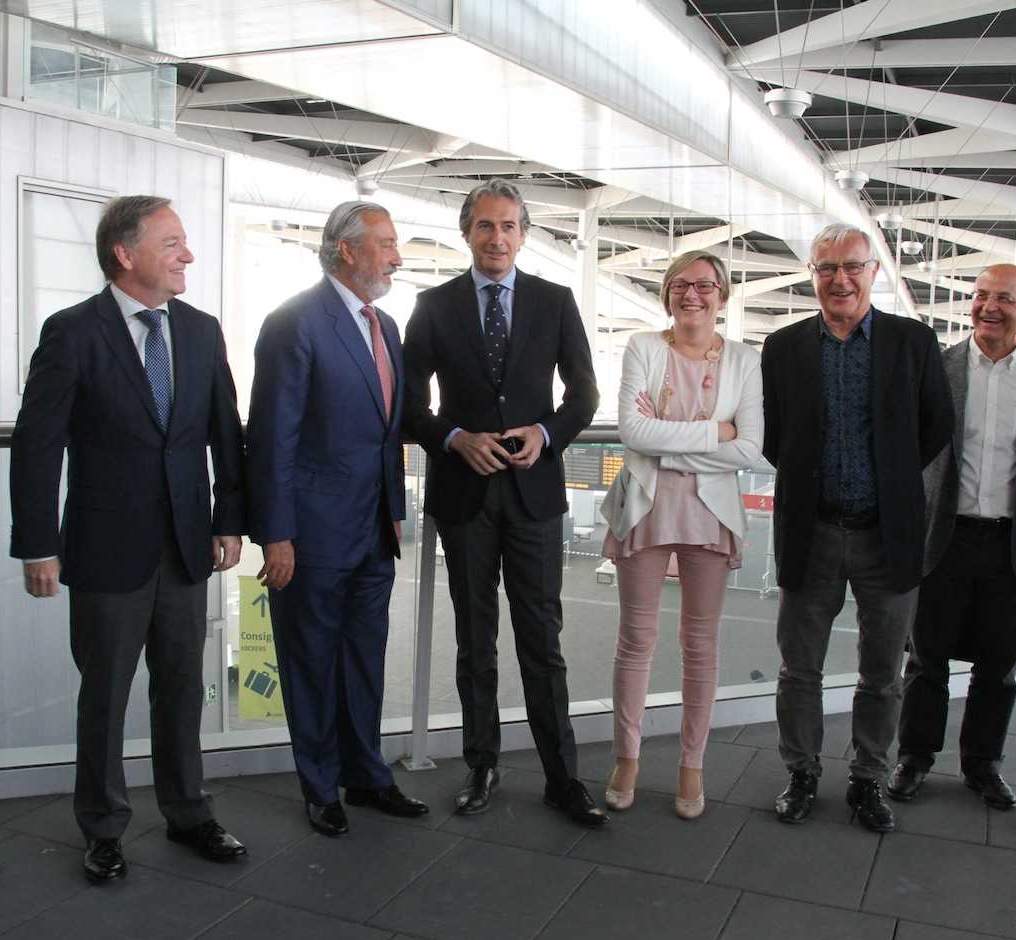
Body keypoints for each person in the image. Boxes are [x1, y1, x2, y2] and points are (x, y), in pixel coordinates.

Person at [10, 195, 249, 883]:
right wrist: (37, 543)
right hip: (104, 547)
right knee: (106, 693)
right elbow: (38, 444)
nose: (188, 256)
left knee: (181, 689)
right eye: (173, 243)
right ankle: (104, 827)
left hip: (186, 545)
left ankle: (189, 814)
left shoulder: (201, 332)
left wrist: (230, 518)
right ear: (125, 253)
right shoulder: (72, 332)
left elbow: (223, 434)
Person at [403, 178, 605, 827]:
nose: (498, 237)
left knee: (542, 640)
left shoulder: (554, 301)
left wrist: (544, 436)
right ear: (468, 232)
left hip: (534, 494)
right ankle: (481, 765)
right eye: (486, 226)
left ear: (524, 234)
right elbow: (410, 407)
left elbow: (583, 397)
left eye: (510, 226)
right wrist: (455, 439)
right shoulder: (433, 306)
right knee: (475, 641)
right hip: (464, 494)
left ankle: (562, 776)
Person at [760, 222, 953, 832]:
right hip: (810, 530)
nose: (839, 279)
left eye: (852, 267)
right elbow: (772, 435)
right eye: (826, 268)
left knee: (883, 671)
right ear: (812, 274)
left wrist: (890, 479)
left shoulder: (912, 341)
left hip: (886, 532)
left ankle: (869, 778)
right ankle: (803, 772)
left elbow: (937, 423)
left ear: (874, 272)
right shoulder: (784, 346)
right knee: (799, 669)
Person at [245, 200, 428, 837]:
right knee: (311, 663)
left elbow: (387, 434)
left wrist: (394, 511)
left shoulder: (387, 327)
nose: (397, 257)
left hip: (374, 530)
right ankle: (320, 786)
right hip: (311, 535)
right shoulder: (293, 322)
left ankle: (367, 774)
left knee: (364, 660)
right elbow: (272, 438)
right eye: (386, 243)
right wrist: (277, 533)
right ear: (347, 250)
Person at [599, 250, 771, 819]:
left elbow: (748, 448)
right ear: (667, 292)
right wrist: (711, 433)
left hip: (711, 516)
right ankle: (628, 756)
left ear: (722, 295)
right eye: (680, 284)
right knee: (635, 641)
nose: (691, 294)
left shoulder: (745, 360)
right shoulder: (645, 348)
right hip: (646, 509)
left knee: (700, 647)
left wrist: (668, 439)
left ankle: (692, 764)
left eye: (704, 285)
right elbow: (632, 431)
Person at [886, 264, 1016, 809]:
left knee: (999, 667)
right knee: (925, 661)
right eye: (981, 295)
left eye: (1004, 299)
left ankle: (982, 764)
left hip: (1014, 544)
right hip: (942, 538)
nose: (989, 306)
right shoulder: (934, 371)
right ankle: (914, 757)